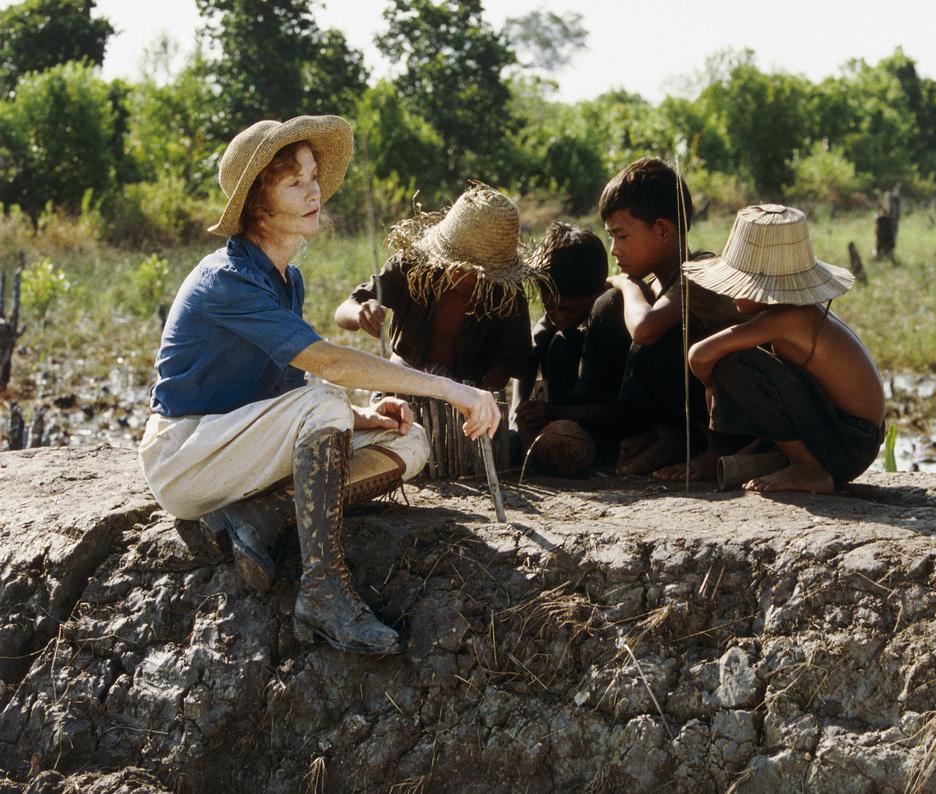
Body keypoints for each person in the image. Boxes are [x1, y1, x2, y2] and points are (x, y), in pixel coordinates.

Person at [138, 116, 501, 656]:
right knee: (327, 400)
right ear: (258, 206)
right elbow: (327, 364)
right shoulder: (228, 280)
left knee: (408, 440)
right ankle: (325, 592)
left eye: (314, 177)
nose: (315, 192)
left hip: (238, 446)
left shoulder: (288, 277)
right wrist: (452, 389)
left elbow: (287, 393)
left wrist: (363, 418)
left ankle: (260, 515)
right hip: (187, 455)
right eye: (295, 183)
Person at [657, 203, 885, 492]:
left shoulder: (789, 319)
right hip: (853, 438)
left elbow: (699, 355)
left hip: (850, 441)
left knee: (732, 363)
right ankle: (754, 457)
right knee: (741, 358)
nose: (730, 292)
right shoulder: (799, 312)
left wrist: (711, 385)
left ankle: (809, 469)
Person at [579, 157, 741, 475]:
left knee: (651, 330)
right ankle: (644, 432)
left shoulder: (700, 273)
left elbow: (644, 330)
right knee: (610, 307)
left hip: (732, 411)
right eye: (610, 236)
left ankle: (682, 441)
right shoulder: (658, 280)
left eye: (621, 236)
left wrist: (627, 285)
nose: (614, 249)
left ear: (663, 230)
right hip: (691, 398)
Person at [334, 183, 544, 389]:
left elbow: (509, 362)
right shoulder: (410, 268)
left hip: (471, 394)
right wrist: (360, 313)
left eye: (482, 274)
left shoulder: (507, 295)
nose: (470, 279)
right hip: (402, 384)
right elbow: (344, 312)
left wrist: (471, 399)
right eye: (462, 268)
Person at [511, 222, 608, 451]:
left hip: (606, 427)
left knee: (562, 343)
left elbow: (612, 409)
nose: (559, 317)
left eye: (571, 310)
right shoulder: (550, 324)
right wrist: (518, 411)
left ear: (598, 294)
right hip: (560, 419)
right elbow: (529, 359)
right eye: (549, 307)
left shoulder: (608, 324)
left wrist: (554, 412)